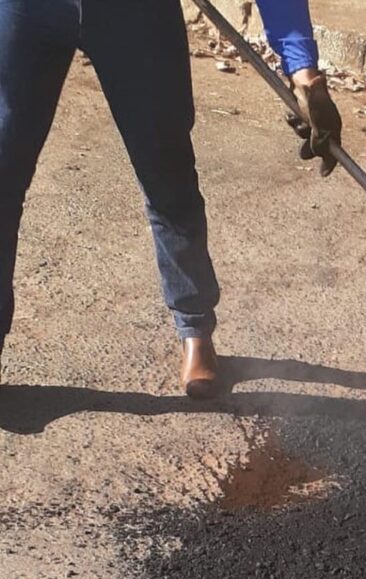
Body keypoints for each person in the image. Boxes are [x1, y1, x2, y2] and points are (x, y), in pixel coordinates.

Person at [0, 0, 341, 398]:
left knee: (167, 174)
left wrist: (304, 71)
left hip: (136, 15)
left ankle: (194, 327)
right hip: (28, 11)